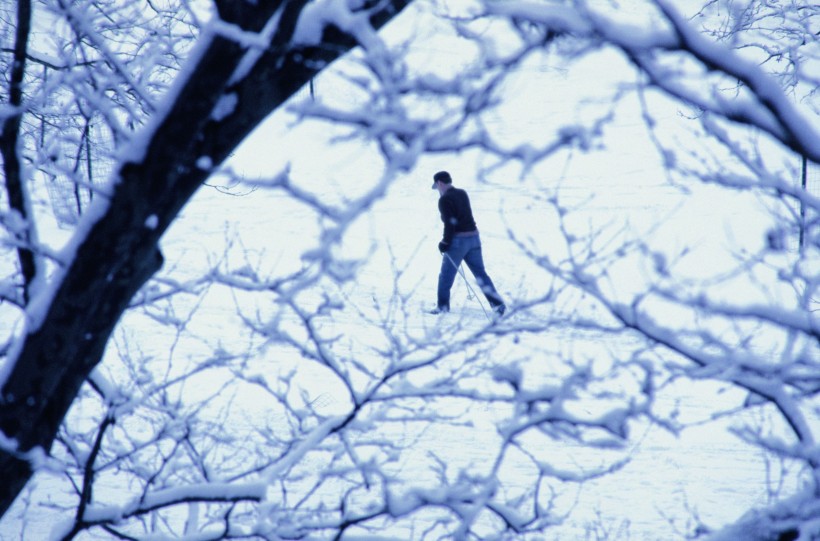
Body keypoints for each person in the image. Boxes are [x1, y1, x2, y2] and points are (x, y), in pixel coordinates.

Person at [430, 170, 506, 316]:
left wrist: (445, 242)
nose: (437, 190)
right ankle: (498, 305)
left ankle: (442, 307)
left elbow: (449, 224)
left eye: (437, 186)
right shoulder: (462, 193)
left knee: (445, 276)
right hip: (474, 239)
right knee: (481, 274)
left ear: (439, 183)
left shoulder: (444, 200)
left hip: (458, 242)